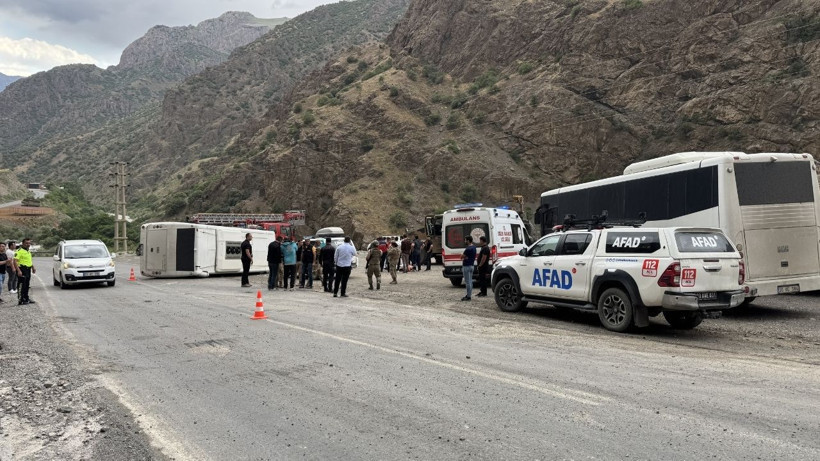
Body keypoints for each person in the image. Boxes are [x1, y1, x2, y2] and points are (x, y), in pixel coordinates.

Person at [15, 238, 35, 305]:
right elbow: (15, 261)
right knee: (21, 285)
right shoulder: (19, 251)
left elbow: (29, 261)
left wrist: (33, 267)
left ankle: (26, 298)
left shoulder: (28, 251)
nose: (28, 244)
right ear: (23, 243)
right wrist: (18, 271)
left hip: (28, 269)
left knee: (27, 284)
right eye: (26, 243)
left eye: (29, 243)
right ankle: (21, 300)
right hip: (22, 269)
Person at [460, 235, 476, 301]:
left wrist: (462, 255)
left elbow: (461, 257)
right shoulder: (474, 247)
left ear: (468, 240)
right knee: (470, 281)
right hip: (472, 265)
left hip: (466, 266)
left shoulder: (467, 249)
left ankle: (468, 296)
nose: (465, 241)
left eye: (465, 240)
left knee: (467, 282)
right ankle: (469, 294)